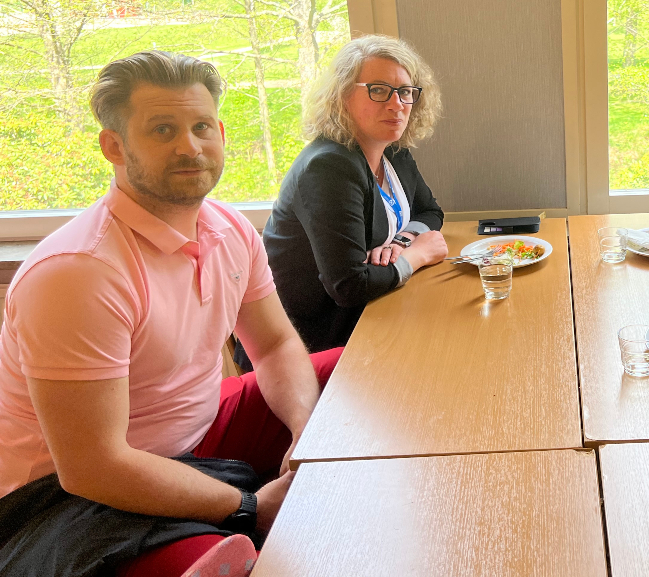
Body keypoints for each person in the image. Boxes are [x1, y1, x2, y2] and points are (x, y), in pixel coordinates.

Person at [0, 51, 340, 576]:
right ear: (113, 146)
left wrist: (305, 435)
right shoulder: (78, 274)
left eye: (201, 126)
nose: (190, 146)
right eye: (162, 129)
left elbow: (272, 347)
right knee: (222, 565)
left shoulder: (230, 229)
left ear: (221, 132)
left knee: (355, 373)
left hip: (201, 430)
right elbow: (94, 467)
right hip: (70, 500)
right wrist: (249, 507)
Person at [262, 35, 449, 355]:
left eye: (405, 92)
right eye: (378, 90)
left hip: (376, 312)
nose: (397, 104)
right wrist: (416, 255)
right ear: (343, 97)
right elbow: (349, 286)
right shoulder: (328, 167)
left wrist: (401, 241)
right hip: (317, 343)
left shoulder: (393, 150)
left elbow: (430, 212)